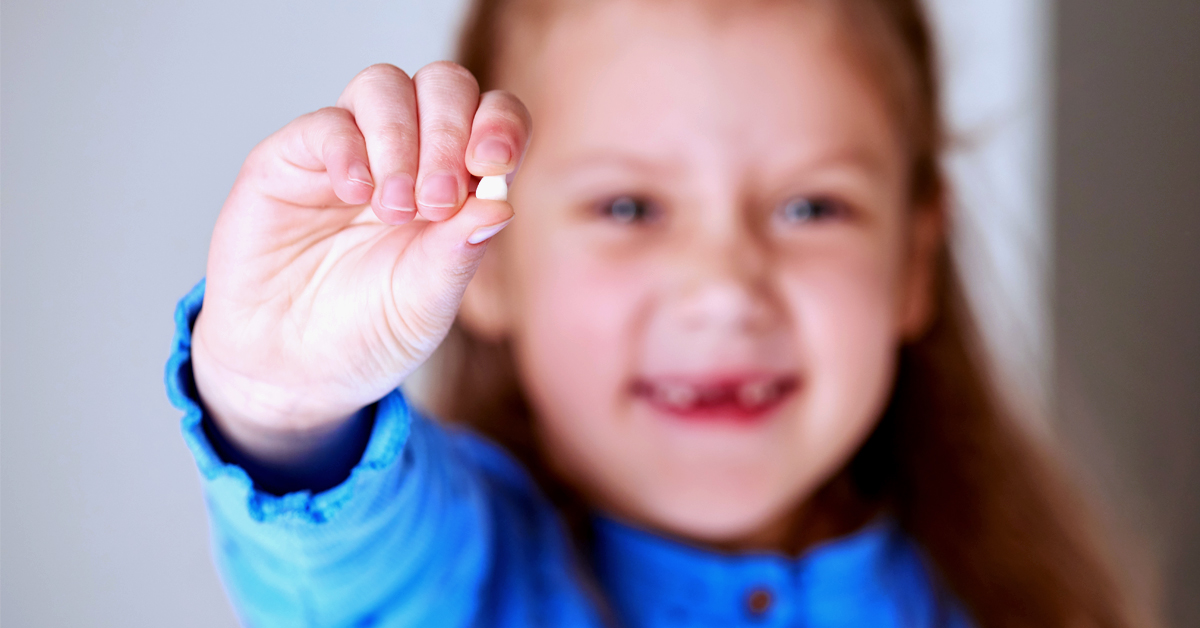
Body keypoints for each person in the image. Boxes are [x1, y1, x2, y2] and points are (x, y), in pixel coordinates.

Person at [166, 0, 1139, 625]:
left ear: (914, 261)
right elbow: (348, 562)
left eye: (811, 207)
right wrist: (283, 400)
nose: (722, 289)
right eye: (627, 207)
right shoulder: (468, 579)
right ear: (491, 260)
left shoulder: (1004, 598)